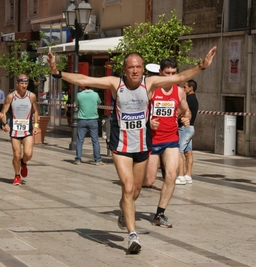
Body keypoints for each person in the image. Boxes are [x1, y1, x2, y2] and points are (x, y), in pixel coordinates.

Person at [47, 46, 217, 254]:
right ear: (125, 69)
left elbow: (180, 76)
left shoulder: (150, 83)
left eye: (138, 67)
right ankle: (132, 236)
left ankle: (124, 208)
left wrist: (202, 65)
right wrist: (57, 73)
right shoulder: (115, 83)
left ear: (143, 69)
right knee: (128, 187)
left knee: (135, 191)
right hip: (121, 145)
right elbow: (85, 79)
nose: (135, 71)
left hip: (143, 145)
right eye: (131, 67)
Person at [143, 58, 191, 228]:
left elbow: (186, 110)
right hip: (152, 140)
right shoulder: (152, 90)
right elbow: (138, 111)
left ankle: (160, 214)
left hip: (171, 139)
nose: (171, 76)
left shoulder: (179, 92)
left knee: (171, 175)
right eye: (167, 73)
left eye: (173, 73)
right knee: (148, 181)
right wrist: (148, 122)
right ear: (161, 73)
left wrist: (186, 118)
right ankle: (126, 202)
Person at [0, 74, 40, 185]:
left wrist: (36, 125)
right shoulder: (11, 96)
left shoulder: (31, 96)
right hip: (15, 129)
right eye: (22, 83)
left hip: (27, 130)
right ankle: (17, 175)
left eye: (26, 83)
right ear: (17, 83)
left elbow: (35, 111)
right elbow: (3, 112)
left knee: (28, 154)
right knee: (16, 154)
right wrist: (4, 124)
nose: (24, 86)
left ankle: (23, 162)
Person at [177, 79, 199, 185]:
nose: (183, 88)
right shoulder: (193, 99)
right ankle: (188, 175)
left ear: (191, 88)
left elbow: (181, 112)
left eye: (185, 87)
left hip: (185, 128)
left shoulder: (188, 99)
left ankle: (181, 176)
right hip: (189, 128)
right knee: (188, 152)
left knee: (179, 151)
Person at [74, 87, 103, 165]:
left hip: (82, 120)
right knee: (95, 141)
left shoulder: (79, 95)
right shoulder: (95, 94)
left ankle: (78, 159)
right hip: (93, 120)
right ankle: (97, 160)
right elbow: (99, 102)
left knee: (80, 140)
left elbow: (77, 104)